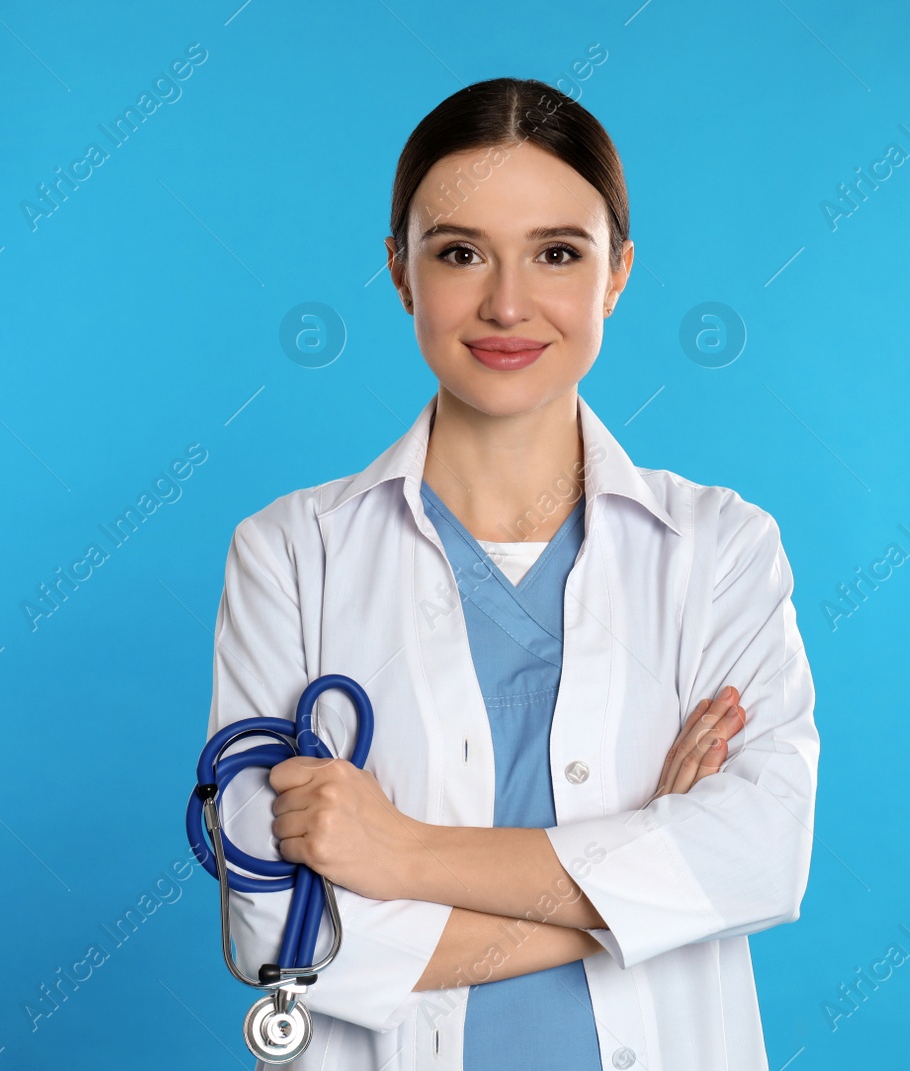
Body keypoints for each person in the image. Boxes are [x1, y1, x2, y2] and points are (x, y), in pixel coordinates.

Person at [206, 76, 819, 1071]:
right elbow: (278, 934)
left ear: (616, 273)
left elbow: (758, 859)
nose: (505, 302)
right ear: (400, 273)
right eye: (457, 253)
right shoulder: (292, 553)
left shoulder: (719, 549)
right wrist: (644, 885)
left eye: (557, 254)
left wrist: (399, 856)